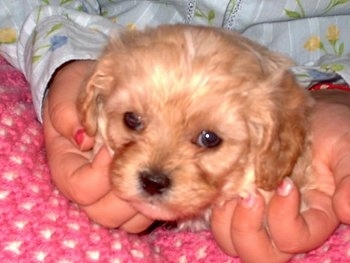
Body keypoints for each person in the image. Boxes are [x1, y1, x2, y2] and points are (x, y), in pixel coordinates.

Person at [1, 1, 350, 262]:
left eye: (208, 139)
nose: (156, 171)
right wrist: (67, 58)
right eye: (133, 121)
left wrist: (338, 95)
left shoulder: (276, 119)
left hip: (326, 91)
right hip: (62, 45)